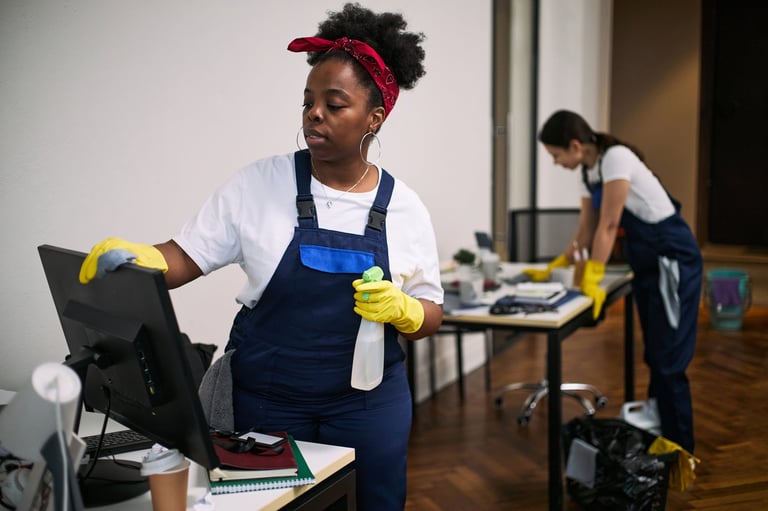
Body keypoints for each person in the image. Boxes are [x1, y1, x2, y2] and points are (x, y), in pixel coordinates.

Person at [78, 4, 444, 509]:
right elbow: (185, 257)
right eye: (308, 101)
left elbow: (431, 312)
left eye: (334, 104)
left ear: (374, 117)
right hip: (268, 398)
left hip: (368, 402)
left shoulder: (405, 207)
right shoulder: (259, 184)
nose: (315, 113)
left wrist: (405, 310)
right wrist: (144, 259)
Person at [527, 109, 702, 454]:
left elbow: (609, 224)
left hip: (672, 260)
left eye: (556, 155)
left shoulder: (616, 159)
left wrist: (592, 278)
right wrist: (558, 263)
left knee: (670, 362)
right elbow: (587, 230)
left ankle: (681, 451)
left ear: (575, 146)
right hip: (648, 264)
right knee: (655, 353)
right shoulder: (588, 172)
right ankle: (662, 435)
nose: (556, 162)